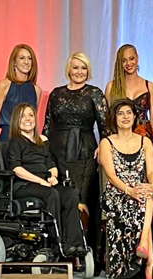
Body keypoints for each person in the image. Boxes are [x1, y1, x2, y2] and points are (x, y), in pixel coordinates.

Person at [7, 103, 85, 255]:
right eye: (23, 116)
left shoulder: (42, 142)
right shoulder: (16, 142)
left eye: (30, 115)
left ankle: (76, 243)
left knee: (70, 194)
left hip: (44, 184)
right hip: (24, 185)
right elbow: (16, 169)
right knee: (52, 195)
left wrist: (53, 177)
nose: (27, 119)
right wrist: (40, 181)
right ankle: (57, 243)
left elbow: (51, 164)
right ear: (16, 120)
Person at [99, 99, 153, 279]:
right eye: (120, 113)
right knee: (138, 204)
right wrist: (129, 190)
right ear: (114, 118)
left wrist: (152, 186)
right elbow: (111, 175)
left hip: (139, 192)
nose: (125, 117)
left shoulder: (145, 141)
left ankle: (143, 248)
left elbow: (152, 172)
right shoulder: (106, 143)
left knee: (146, 197)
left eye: (129, 113)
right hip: (117, 192)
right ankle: (148, 258)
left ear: (134, 116)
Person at [44, 52, 108, 219]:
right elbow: (47, 125)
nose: (79, 71)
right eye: (75, 67)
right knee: (59, 196)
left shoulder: (94, 93)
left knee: (81, 198)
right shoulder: (56, 94)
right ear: (68, 70)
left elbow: (105, 126)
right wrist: (43, 152)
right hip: (56, 152)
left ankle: (82, 241)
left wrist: (104, 145)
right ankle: (61, 241)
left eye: (83, 68)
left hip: (84, 153)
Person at [105, 44, 153, 155]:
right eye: (124, 60)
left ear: (137, 58)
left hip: (145, 138)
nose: (128, 64)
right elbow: (108, 120)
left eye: (131, 58)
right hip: (120, 139)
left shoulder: (149, 85)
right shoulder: (111, 87)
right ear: (119, 63)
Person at [0, 44, 42, 143]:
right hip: (8, 139)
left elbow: (31, 119)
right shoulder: (4, 85)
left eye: (29, 58)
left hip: (28, 142)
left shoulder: (36, 90)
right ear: (14, 63)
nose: (26, 62)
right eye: (22, 58)